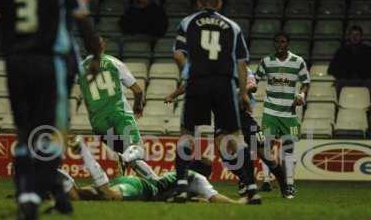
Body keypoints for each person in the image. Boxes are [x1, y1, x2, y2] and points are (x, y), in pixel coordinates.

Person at [0, 0, 102, 220]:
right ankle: (36, 198)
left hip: (16, 63)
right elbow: (81, 17)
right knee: (52, 137)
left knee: (26, 136)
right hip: (52, 63)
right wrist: (96, 53)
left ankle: (39, 196)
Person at [172, 0, 260, 204]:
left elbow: (178, 54)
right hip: (224, 84)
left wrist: (188, 72)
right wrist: (243, 94)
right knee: (235, 138)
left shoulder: (188, 22)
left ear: (199, 3)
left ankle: (182, 188)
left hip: (198, 81)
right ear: (219, 3)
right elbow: (241, 61)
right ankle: (252, 188)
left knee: (187, 134)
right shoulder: (232, 26)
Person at [165, 67, 288, 203]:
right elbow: (191, 84)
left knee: (267, 156)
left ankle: (284, 185)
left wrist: (239, 93)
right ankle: (245, 179)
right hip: (221, 119)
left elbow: (252, 86)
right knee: (226, 156)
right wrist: (173, 95)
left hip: (243, 118)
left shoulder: (243, 69)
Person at [59, 138, 238, 204]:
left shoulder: (175, 177)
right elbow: (214, 197)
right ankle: (83, 151)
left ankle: (56, 175)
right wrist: (237, 203)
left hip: (132, 181)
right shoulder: (196, 178)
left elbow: (151, 176)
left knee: (78, 196)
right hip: (141, 188)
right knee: (108, 195)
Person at [78, 37, 157, 179]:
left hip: (98, 122)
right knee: (136, 150)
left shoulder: (80, 68)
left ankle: (156, 182)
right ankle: (125, 160)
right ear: (103, 46)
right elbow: (138, 91)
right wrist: (137, 106)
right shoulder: (113, 63)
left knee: (127, 153)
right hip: (119, 115)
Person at [255, 32, 310, 199]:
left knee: (288, 149)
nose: (280, 44)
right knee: (266, 147)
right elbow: (255, 80)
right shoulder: (266, 61)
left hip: (289, 113)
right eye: (277, 41)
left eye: (283, 41)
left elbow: (306, 83)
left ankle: (290, 185)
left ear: (288, 44)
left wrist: (301, 95)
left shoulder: (298, 61)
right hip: (270, 111)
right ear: (274, 44)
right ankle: (265, 181)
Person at [328, 25, 371, 95]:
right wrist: (344, 74)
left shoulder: (368, 51)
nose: (355, 37)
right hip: (346, 79)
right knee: (336, 86)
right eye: (352, 34)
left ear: (361, 36)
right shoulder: (341, 51)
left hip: (364, 79)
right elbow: (331, 69)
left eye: (357, 35)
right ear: (349, 36)